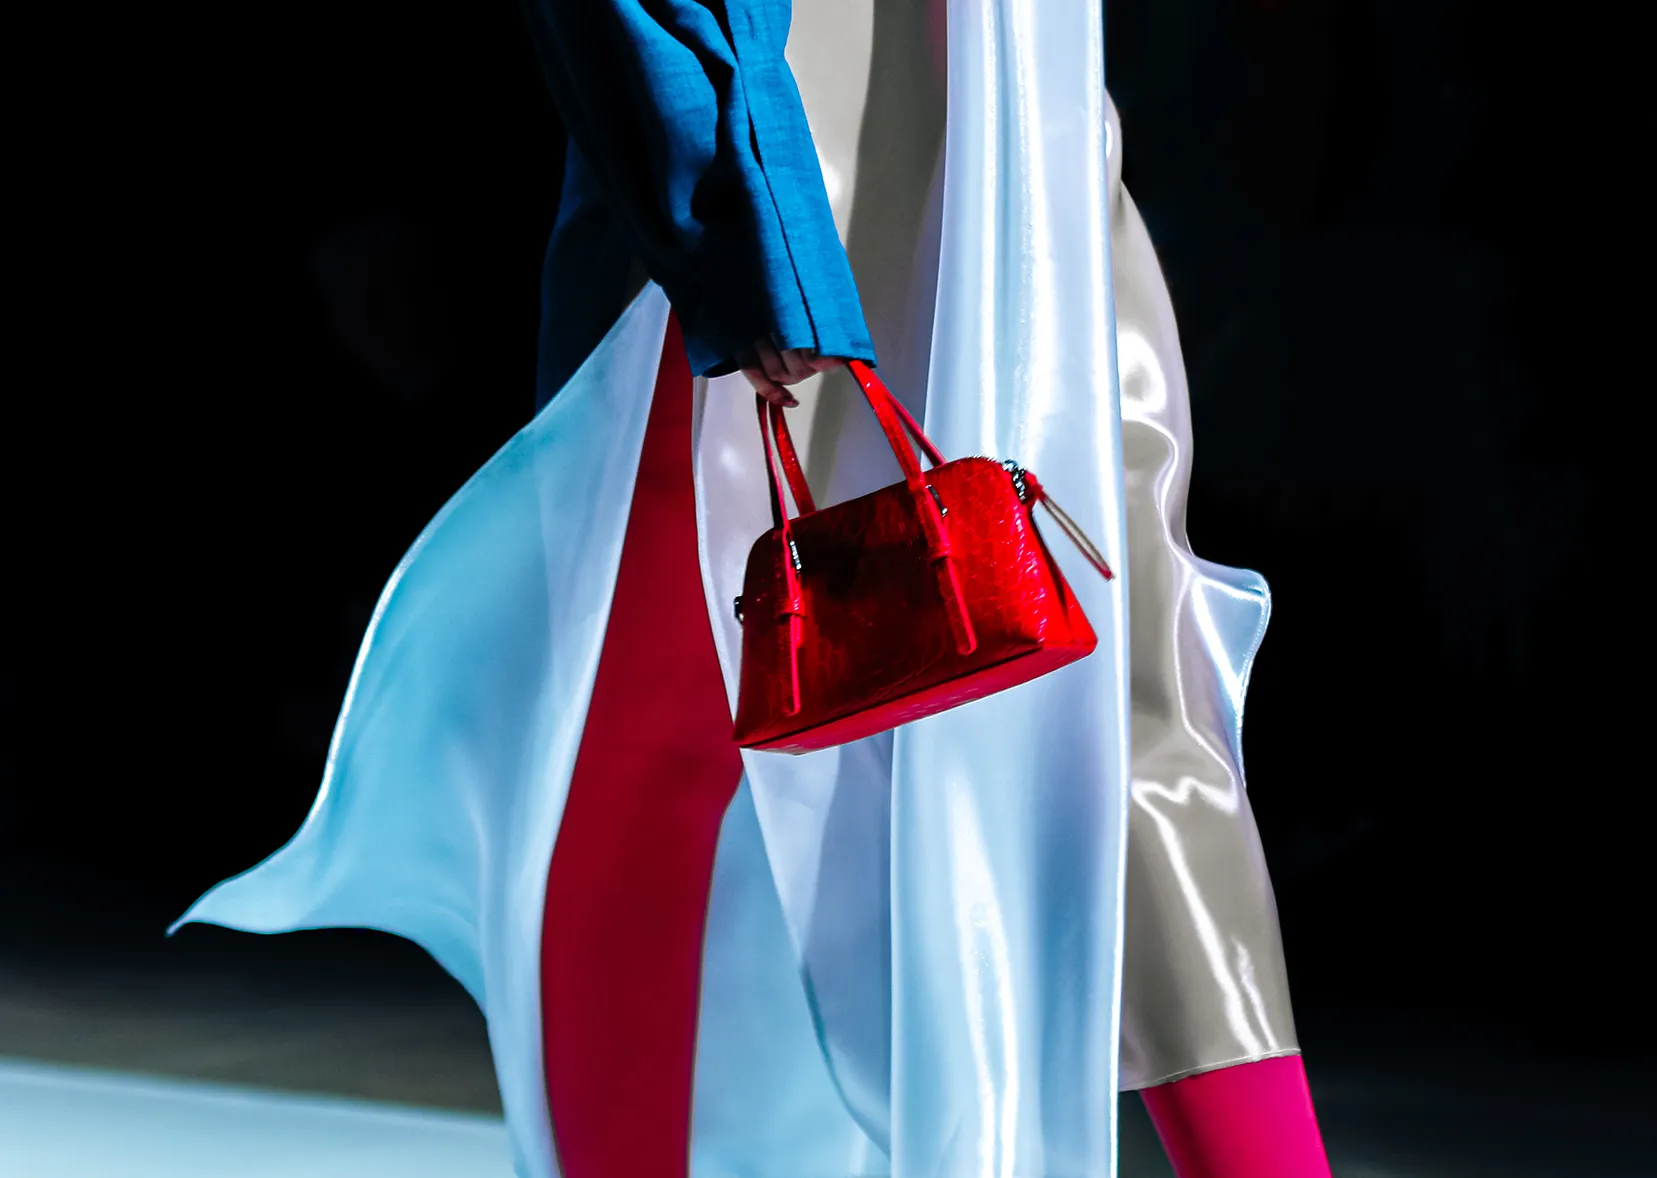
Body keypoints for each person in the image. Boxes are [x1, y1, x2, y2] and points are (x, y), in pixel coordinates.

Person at [178, 2, 1332, 1176]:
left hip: (1000, 109)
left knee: (1108, 714)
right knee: (692, 721)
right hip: (823, 115)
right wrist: (748, 213)